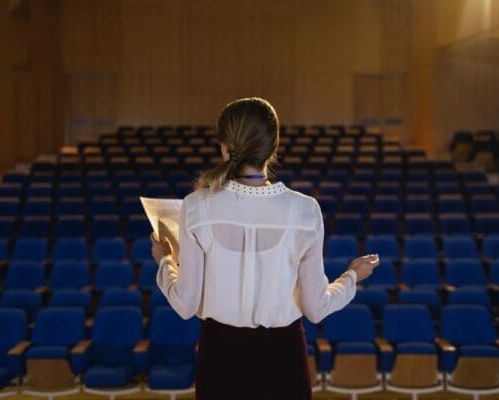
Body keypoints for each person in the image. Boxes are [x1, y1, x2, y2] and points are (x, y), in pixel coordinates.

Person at [150, 97, 379, 400]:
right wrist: (352, 276)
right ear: (273, 148)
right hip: (283, 358)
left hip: (221, 358)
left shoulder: (196, 206)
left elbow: (185, 305)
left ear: (225, 148)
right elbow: (316, 308)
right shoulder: (305, 210)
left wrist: (166, 261)